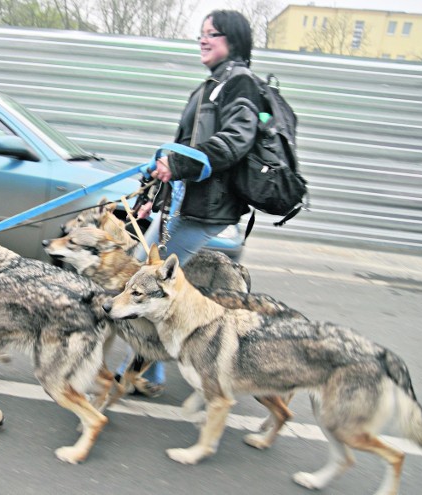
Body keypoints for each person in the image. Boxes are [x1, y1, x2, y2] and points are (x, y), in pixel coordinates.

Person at [116, 10, 262, 397]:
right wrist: (156, 188)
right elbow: (183, 148)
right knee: (147, 272)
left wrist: (176, 163)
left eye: (212, 34)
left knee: (150, 283)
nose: (203, 39)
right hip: (186, 202)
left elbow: (236, 140)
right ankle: (153, 371)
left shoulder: (240, 83)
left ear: (233, 40)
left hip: (207, 208)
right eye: (201, 34)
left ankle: (141, 370)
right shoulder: (211, 85)